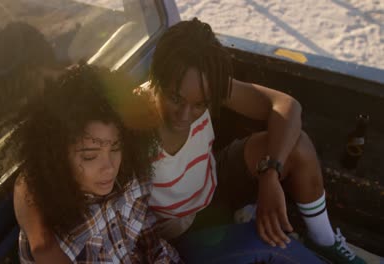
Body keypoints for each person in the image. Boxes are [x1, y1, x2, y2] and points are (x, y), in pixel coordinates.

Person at [141, 18, 365, 264]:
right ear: (156, 77)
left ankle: (323, 240)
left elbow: (286, 106)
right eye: (175, 98)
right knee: (273, 246)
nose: (185, 115)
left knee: (297, 146)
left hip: (213, 182)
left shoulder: (207, 84)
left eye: (200, 105)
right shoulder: (135, 119)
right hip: (182, 232)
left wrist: (270, 173)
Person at [10, 64, 181, 263]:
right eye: (90, 156)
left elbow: (153, 245)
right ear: (57, 157)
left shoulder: (130, 181)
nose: (109, 167)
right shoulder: (57, 231)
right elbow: (27, 181)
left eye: (115, 148)